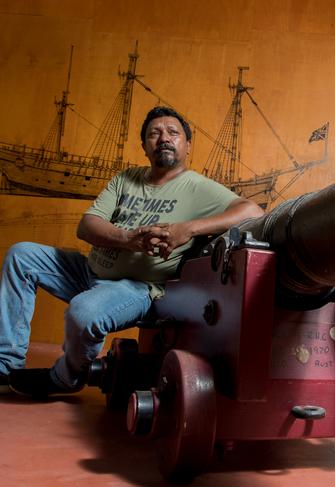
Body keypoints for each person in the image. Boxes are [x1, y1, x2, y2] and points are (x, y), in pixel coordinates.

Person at [0, 106, 264, 397]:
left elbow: (252, 211)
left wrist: (187, 229)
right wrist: (127, 238)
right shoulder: (125, 178)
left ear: (188, 145)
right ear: (145, 146)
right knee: (21, 255)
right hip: (88, 270)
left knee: (84, 313)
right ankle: (5, 365)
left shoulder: (200, 188)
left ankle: (65, 378)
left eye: (173, 133)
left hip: (137, 288)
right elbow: (87, 226)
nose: (164, 138)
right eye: (155, 133)